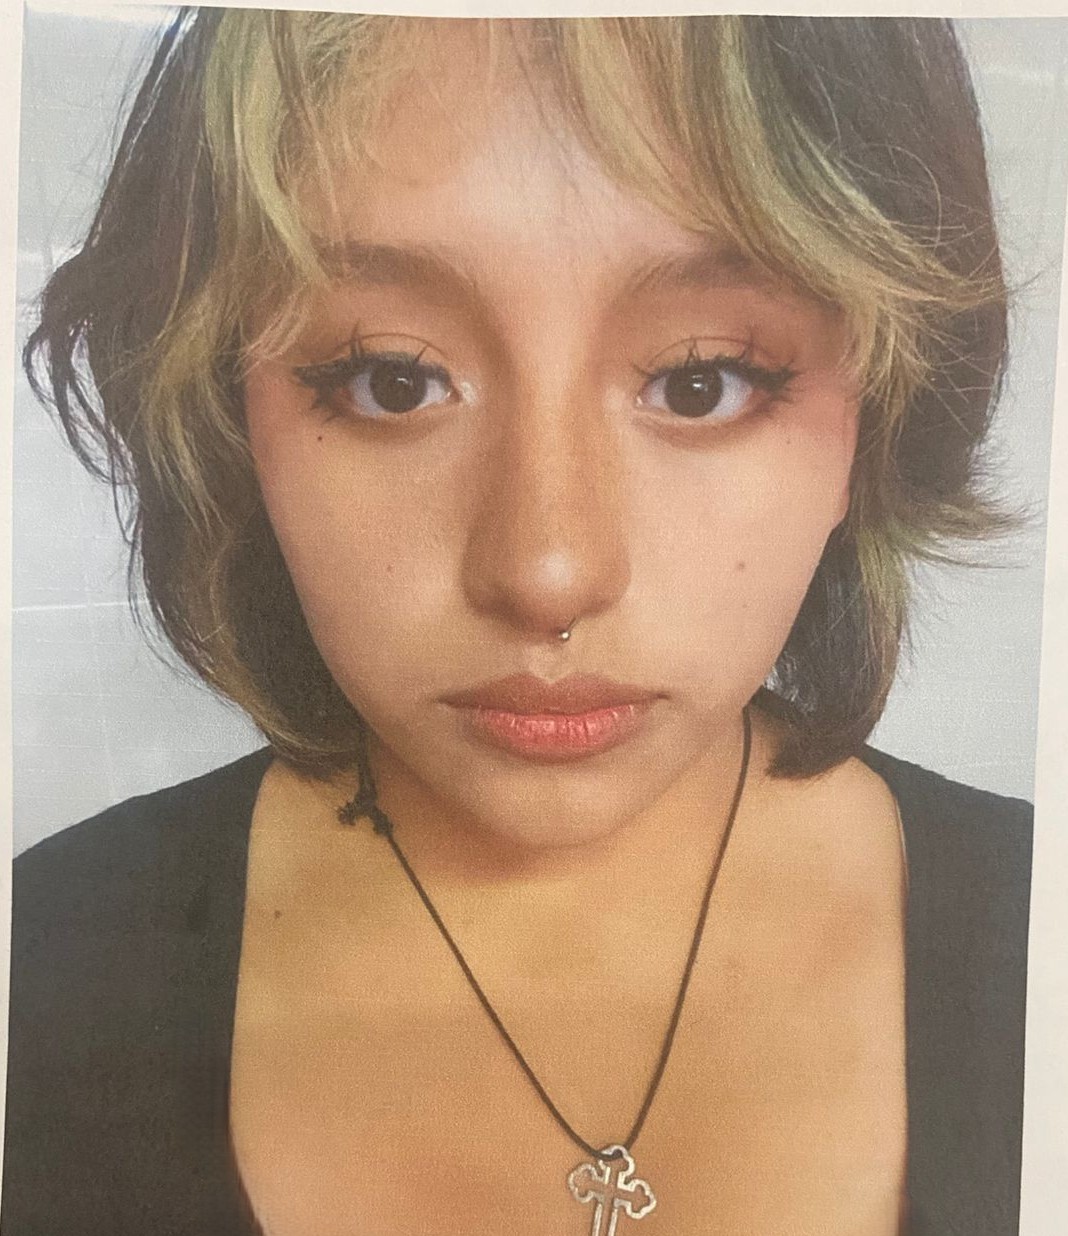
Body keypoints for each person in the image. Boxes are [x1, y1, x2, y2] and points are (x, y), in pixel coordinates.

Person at [2, 11, 1033, 1236]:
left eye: (701, 380)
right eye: (391, 378)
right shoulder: (42, 968)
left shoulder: (1041, 934)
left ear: (885, 403)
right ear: (229, 413)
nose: (549, 572)